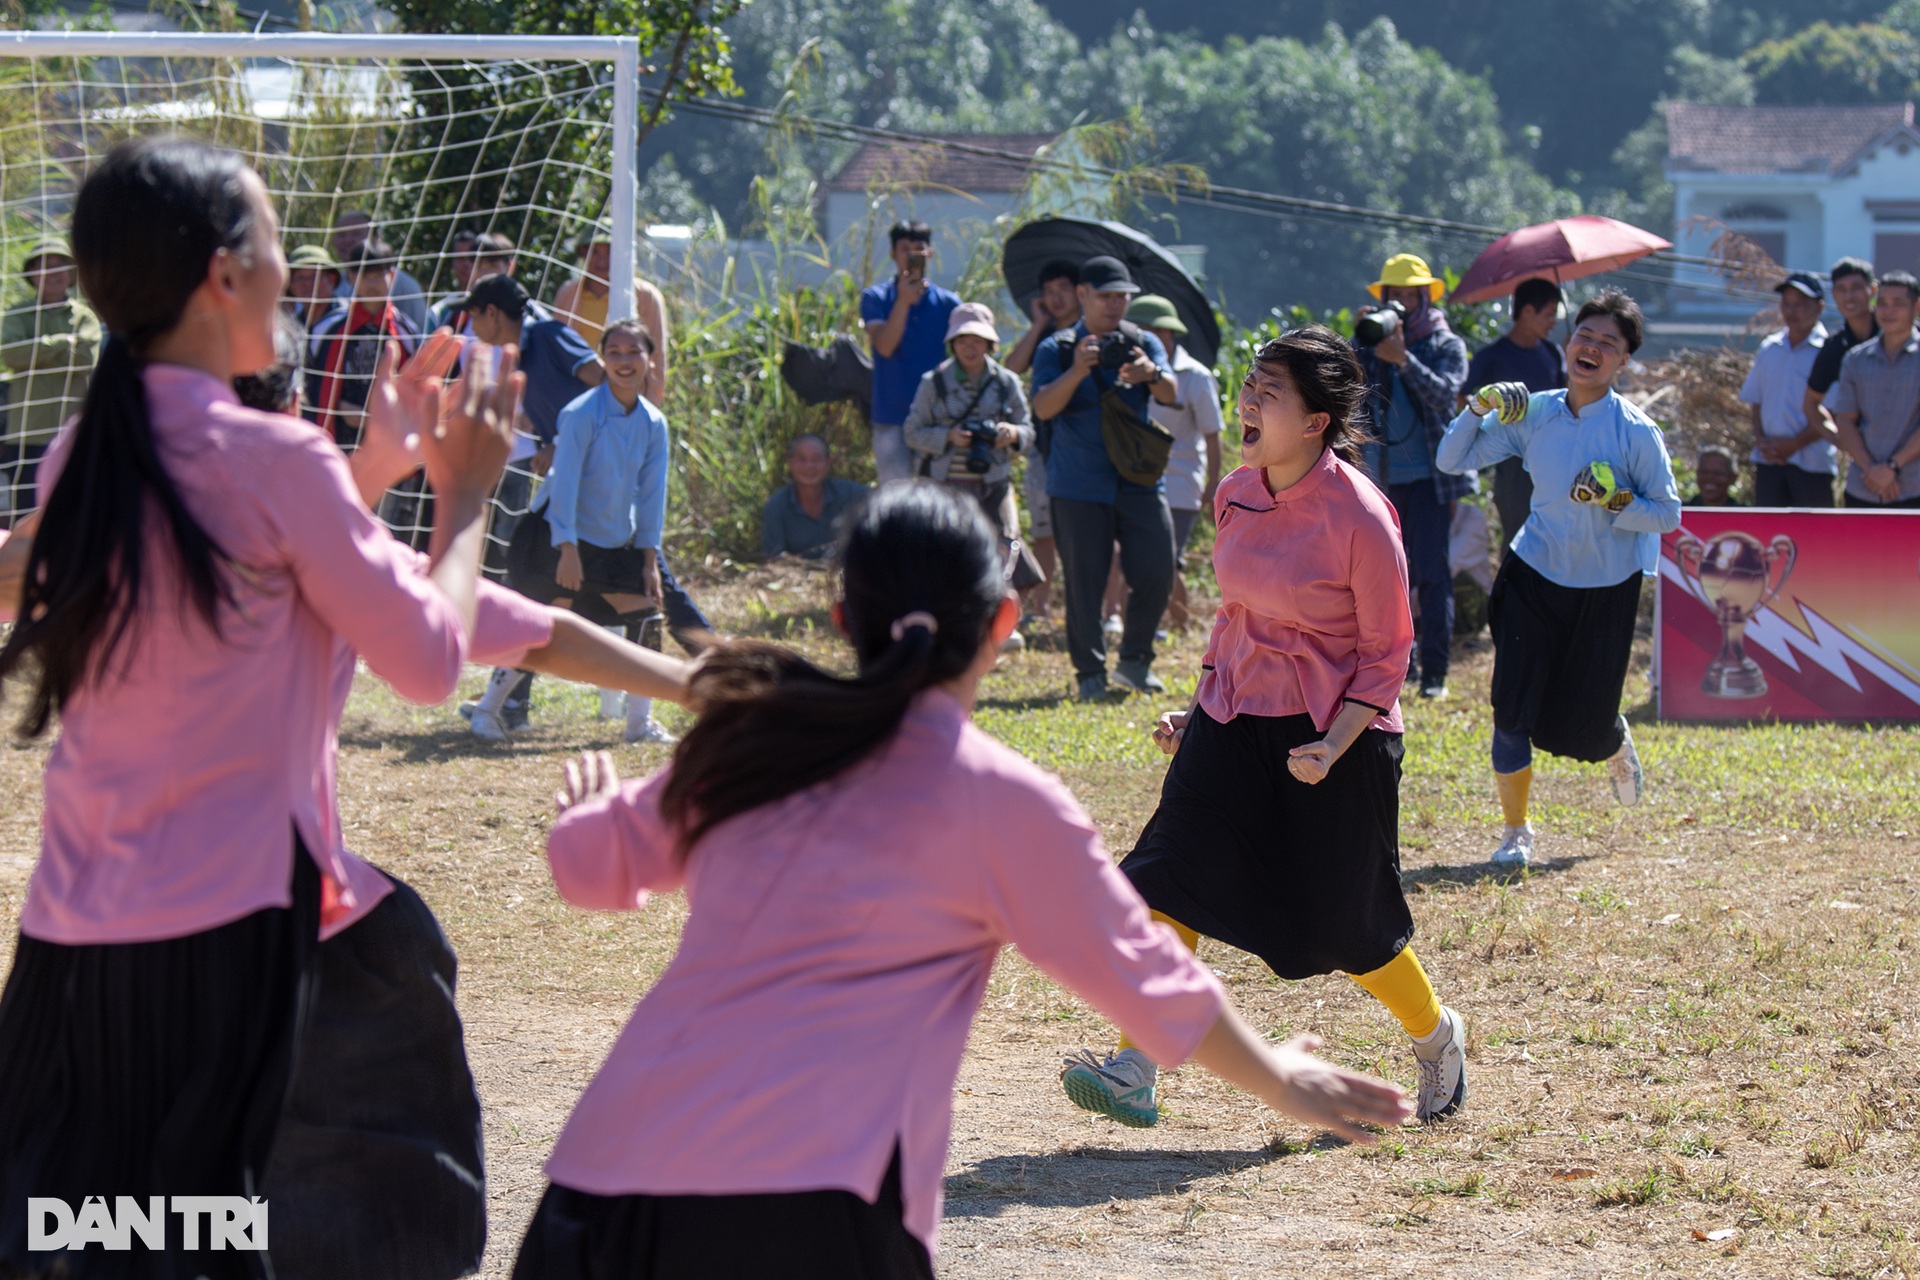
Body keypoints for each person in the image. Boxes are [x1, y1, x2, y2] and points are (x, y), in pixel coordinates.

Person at [508, 483, 1413, 1280]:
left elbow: (585, 870)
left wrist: (578, 813)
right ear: (1002, 626)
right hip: (817, 1209)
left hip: (603, 1189)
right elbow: (1152, 983)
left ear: (839, 620)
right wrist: (1282, 1081)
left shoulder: (756, 742)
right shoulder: (1001, 800)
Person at [0, 135, 516, 1278]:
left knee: (59, 1226)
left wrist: (365, 474)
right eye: (281, 245)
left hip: (66, 935)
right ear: (223, 279)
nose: (299, 273)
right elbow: (432, 660)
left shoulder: (80, 453)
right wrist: (465, 493)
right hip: (217, 947)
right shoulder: (276, 460)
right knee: (191, 1233)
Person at [1058, 327, 1467, 1131]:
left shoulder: (1360, 513)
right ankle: (1136, 1064)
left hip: (1329, 733)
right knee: (1168, 876)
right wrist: (1203, 697)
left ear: (1315, 422)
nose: (1247, 400)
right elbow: (1236, 615)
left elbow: (1389, 652)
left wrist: (1336, 742)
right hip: (1232, 714)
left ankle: (1436, 1034)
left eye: (1269, 392)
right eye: (1250, 383)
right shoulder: (1236, 490)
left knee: (1347, 927)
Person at [1439, 289, 1682, 868]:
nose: (1591, 348)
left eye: (1608, 343)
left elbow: (1668, 513)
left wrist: (1619, 499)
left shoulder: (1636, 432)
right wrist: (1479, 407)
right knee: (1512, 707)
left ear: (1624, 362)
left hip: (1606, 588)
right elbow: (1453, 459)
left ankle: (1613, 739)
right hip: (1533, 574)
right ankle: (1515, 832)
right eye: (1584, 336)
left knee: (1582, 727)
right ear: (1567, 344)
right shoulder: (1537, 412)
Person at [476, 318, 678, 745]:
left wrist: (649, 561)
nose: (624, 361)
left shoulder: (655, 423)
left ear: (649, 359)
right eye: (615, 352)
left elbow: (651, 497)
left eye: (633, 352)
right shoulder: (582, 413)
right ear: (603, 360)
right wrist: (567, 549)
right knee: (544, 626)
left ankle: (638, 724)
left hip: (614, 540)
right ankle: (487, 710)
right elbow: (563, 485)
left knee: (647, 617)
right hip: (557, 535)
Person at [1030, 255, 1179, 700]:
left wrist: (1152, 374)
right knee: (1084, 582)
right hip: (1077, 483)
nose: (1115, 305)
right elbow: (1042, 408)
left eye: (1122, 297)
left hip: (1138, 480)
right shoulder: (1056, 348)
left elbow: (1171, 393)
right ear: (1083, 295)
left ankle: (1134, 661)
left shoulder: (1142, 341)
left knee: (1157, 571)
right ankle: (1089, 673)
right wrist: (1078, 370)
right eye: (1106, 296)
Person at [1354, 253, 1472, 700]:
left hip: (1430, 479)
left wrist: (1403, 359)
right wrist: (1360, 341)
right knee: (1384, 578)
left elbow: (1445, 397)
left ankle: (1435, 673)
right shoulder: (1371, 342)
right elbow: (1345, 390)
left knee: (1431, 574)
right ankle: (1394, 668)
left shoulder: (1444, 344)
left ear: (1424, 297)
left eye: (1409, 295)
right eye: (1394, 295)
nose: (1401, 304)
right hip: (1378, 479)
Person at [1126, 293, 1223, 631]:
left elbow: (1213, 433)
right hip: (1137, 481)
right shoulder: (1127, 371)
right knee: (1139, 558)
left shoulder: (1195, 376)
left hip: (1181, 483)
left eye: (1147, 332)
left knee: (1167, 560)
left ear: (1166, 334)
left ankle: (1180, 625)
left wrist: (1213, 484)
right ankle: (1148, 624)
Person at [1, 235, 99, 526]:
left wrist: (37, 350)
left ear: (71, 274)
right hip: (27, 433)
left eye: (59, 265)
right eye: (43, 265)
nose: (52, 272)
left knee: (77, 517)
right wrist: (61, 343)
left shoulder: (86, 317)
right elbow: (11, 355)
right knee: (27, 520)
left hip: (74, 434)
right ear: (31, 274)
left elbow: (85, 360)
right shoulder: (17, 313)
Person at [1462, 277, 1565, 551]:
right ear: (1528, 311)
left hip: (1553, 461)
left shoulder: (1554, 354)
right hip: (1512, 465)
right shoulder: (1493, 356)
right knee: (1517, 539)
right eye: (1550, 314)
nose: (1554, 321)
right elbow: (1462, 396)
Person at [1005, 259, 1080, 621]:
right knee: (1044, 530)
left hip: (1080, 445)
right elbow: (1011, 367)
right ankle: (1042, 606)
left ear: (1080, 292)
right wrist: (1037, 324)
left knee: (1083, 532)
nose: (1055, 298)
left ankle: (1094, 607)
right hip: (1043, 444)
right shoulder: (1044, 337)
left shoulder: (1090, 335)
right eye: (1048, 292)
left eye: (1062, 289)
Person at [861, 220, 960, 484]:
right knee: (895, 501)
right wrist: (903, 302)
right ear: (893, 254)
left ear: (930, 253)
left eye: (918, 249)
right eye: (904, 249)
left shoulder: (949, 304)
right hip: (891, 417)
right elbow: (884, 346)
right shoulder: (876, 298)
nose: (911, 255)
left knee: (937, 499)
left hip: (937, 419)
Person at [308, 238, 422, 448]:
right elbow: (310, 387)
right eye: (364, 275)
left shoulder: (407, 333)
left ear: (393, 276)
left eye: (379, 275)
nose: (372, 283)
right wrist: (338, 405)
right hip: (337, 444)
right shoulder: (326, 330)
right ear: (351, 277)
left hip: (391, 445)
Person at [1826, 269, 1920, 509]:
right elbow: (1845, 419)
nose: (1888, 311)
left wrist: (1891, 467)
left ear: (1916, 307)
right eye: (1882, 303)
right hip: (1863, 487)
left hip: (1913, 487)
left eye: (1898, 304)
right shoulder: (1855, 359)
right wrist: (1871, 469)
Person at [1740, 271, 1834, 507]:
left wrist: (1794, 444)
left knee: (1814, 537)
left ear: (1819, 308)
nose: (1792, 311)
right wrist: (1762, 441)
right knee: (1769, 535)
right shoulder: (1770, 348)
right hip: (1769, 462)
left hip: (1812, 464)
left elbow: (1834, 411)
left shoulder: (1829, 351)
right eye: (1787, 304)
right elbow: (1756, 401)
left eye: (1801, 305)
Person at [552, 228, 671, 406]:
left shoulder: (647, 297)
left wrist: (649, 404)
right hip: (575, 398)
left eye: (610, 252)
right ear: (583, 253)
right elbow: (556, 351)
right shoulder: (568, 293)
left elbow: (657, 357)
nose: (602, 260)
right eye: (594, 251)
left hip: (629, 399)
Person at [1804, 257, 1877, 443]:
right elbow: (1811, 403)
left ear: (1873, 290)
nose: (1849, 296)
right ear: (1834, 295)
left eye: (1856, 288)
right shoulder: (1836, 347)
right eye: (1842, 290)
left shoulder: (1900, 334)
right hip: (1865, 457)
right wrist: (1839, 440)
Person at [762, 433, 869, 560]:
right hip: (798, 577)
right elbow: (774, 560)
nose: (809, 466)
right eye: (802, 459)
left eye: (817, 459)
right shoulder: (776, 506)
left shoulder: (853, 494)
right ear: (790, 462)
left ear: (828, 462)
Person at [329, 209, 428, 332]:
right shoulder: (333, 283)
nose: (348, 240)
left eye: (356, 233)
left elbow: (418, 336)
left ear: (376, 238)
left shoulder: (404, 285)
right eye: (341, 235)